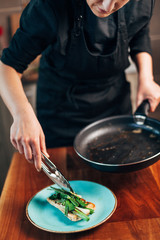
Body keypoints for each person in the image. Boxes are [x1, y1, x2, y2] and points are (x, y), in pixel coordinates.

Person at [0, 0, 160, 172]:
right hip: (61, 113)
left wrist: (146, 77)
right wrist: (21, 113)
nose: (106, 7)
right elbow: (8, 66)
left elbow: (139, 30)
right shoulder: (48, 5)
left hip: (115, 109)